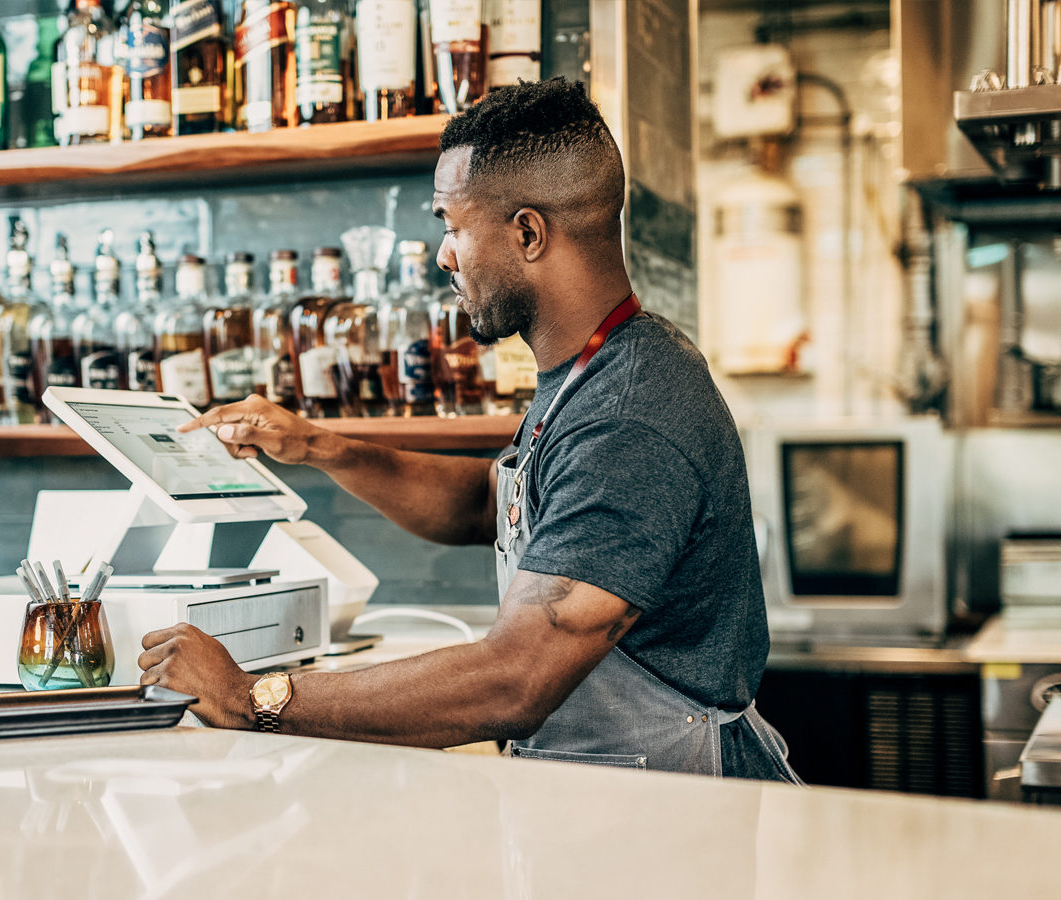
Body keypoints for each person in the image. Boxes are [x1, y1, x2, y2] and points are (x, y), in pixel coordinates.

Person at [139, 77, 802, 782]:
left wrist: (250, 698)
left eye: (451, 225)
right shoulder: (592, 373)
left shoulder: (628, 416)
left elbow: (514, 679)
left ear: (527, 232)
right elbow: (491, 503)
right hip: (604, 794)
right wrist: (315, 447)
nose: (444, 256)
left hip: (673, 816)